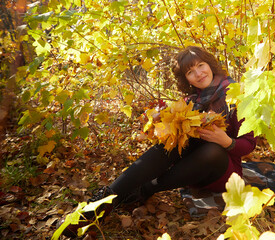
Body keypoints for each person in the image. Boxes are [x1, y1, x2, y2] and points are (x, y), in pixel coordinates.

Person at [57, 46, 257, 237]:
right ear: (186, 78)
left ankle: (144, 190)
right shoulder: (190, 102)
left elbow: (249, 145)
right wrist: (160, 125)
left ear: (210, 65)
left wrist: (226, 141)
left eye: (200, 65)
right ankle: (101, 204)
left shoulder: (237, 96)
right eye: (190, 71)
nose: (198, 73)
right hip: (191, 170)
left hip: (223, 171)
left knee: (212, 150)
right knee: (168, 145)